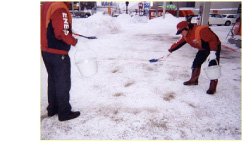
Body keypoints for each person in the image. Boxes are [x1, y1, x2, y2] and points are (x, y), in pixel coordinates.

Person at [41, 2, 80, 121]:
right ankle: (64, 112)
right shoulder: (60, 7)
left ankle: (52, 109)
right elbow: (61, 32)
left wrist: (68, 30)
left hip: (46, 50)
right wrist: (73, 40)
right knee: (62, 82)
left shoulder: (47, 4)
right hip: (58, 52)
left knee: (53, 80)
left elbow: (52, 26)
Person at [163, 21, 221, 94]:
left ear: (187, 28)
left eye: (182, 31)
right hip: (203, 48)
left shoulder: (200, 30)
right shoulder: (186, 36)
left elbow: (213, 39)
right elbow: (178, 43)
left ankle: (213, 87)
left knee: (213, 65)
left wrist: (213, 52)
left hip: (214, 46)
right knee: (196, 62)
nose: (181, 33)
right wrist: (170, 51)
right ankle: (194, 80)